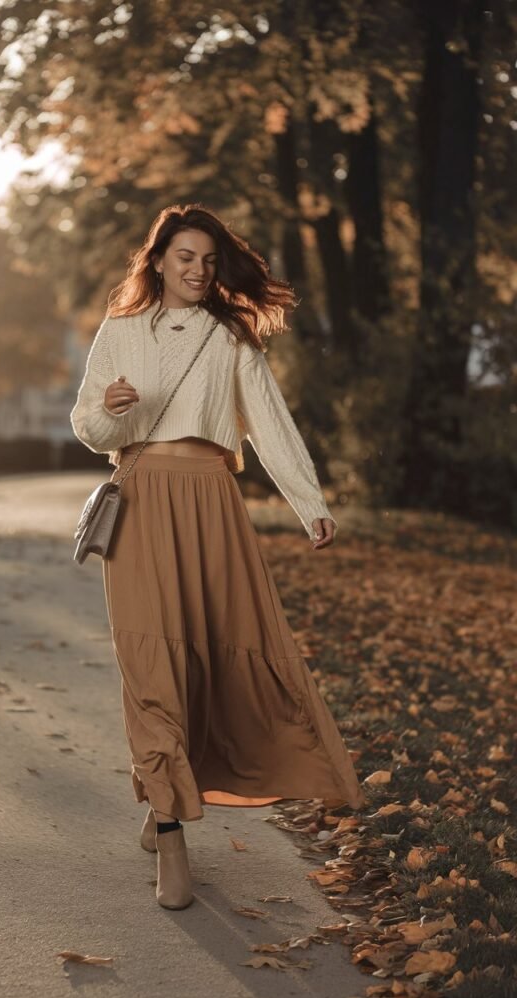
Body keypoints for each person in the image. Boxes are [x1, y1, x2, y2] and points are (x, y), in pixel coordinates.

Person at [70, 203, 366, 911]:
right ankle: (173, 841)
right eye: (184, 258)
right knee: (150, 665)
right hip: (140, 501)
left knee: (204, 662)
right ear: (159, 261)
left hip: (211, 504)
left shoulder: (230, 339)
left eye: (207, 260)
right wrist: (111, 411)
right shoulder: (118, 332)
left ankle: (163, 798)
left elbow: (270, 425)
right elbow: (86, 425)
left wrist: (310, 504)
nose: (197, 270)